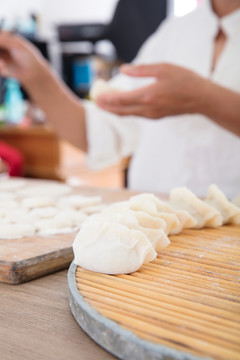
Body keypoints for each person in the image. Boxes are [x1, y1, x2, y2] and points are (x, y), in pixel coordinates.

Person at [0, 0, 239, 197]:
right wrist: (35, 75)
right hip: (157, 228)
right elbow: (95, 131)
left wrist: (205, 99)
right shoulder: (175, 32)